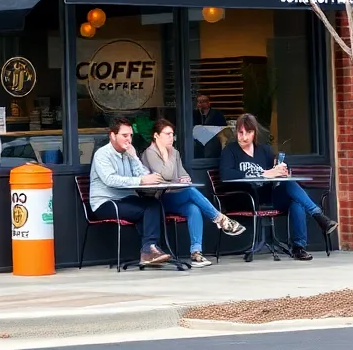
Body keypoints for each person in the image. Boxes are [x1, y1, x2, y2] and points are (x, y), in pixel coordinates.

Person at [219, 113, 338, 261]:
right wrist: (264, 173)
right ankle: (318, 217)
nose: (244, 137)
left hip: (268, 195)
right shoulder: (230, 151)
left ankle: (299, 247)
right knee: (296, 199)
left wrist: (281, 171)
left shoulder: (264, 150)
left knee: (294, 196)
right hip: (245, 197)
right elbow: (226, 174)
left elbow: (274, 172)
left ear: (254, 132)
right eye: (240, 132)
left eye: (248, 132)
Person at [141, 119, 245, 267]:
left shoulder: (175, 152)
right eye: (167, 134)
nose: (171, 137)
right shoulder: (150, 153)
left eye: (172, 134)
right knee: (190, 191)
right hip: (160, 199)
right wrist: (165, 154)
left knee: (193, 208)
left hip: (176, 195)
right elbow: (167, 174)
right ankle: (220, 219)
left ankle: (196, 253)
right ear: (156, 136)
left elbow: (183, 175)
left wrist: (184, 178)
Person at [88, 117, 172, 266]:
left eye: (131, 135)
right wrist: (141, 181)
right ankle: (149, 250)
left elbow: (143, 174)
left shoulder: (128, 153)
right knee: (147, 209)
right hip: (105, 203)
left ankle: (150, 249)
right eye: (124, 135)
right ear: (113, 136)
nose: (129, 139)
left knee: (154, 204)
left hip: (126, 199)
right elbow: (110, 180)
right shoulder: (102, 154)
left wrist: (134, 157)